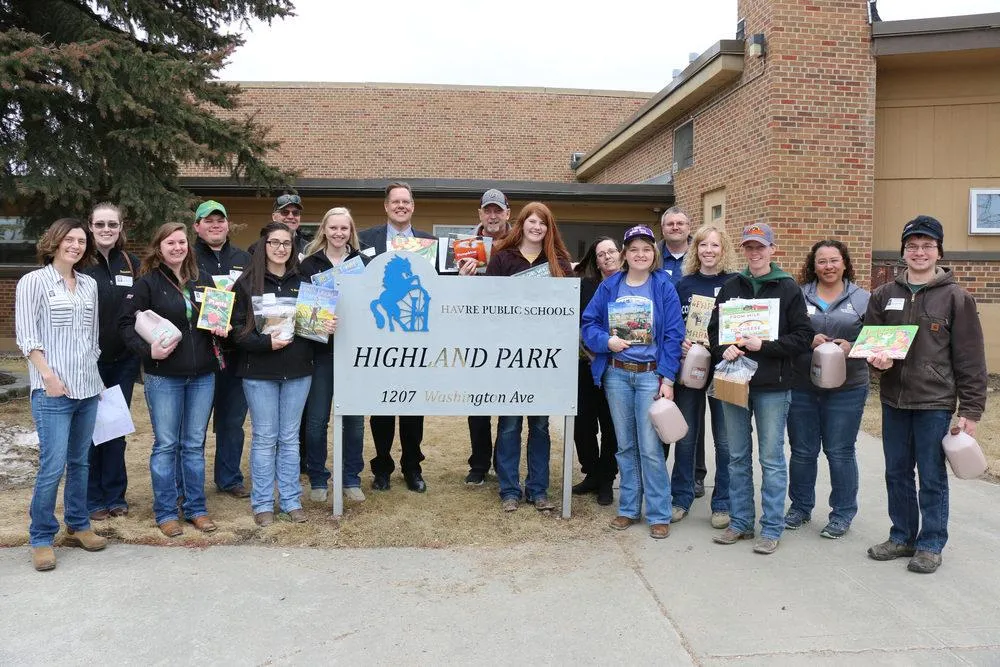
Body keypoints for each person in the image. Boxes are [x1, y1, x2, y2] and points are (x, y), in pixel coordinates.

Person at [865, 215, 987, 574]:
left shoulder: (956, 298)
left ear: (938, 251)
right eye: (912, 246)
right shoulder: (884, 295)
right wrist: (877, 362)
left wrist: (972, 410)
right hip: (894, 400)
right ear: (903, 251)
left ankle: (931, 544)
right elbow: (869, 341)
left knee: (932, 476)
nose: (919, 252)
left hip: (934, 402)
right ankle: (901, 536)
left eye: (927, 246)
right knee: (896, 473)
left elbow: (971, 359)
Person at [707, 222, 814, 555]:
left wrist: (763, 345)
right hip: (734, 380)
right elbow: (713, 332)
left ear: (772, 249)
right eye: (749, 247)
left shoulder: (787, 288)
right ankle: (740, 523)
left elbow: (803, 337)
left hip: (772, 385)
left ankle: (771, 527)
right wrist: (722, 348)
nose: (754, 253)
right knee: (737, 456)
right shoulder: (730, 287)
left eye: (760, 247)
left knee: (771, 459)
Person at [119, 222, 229, 538]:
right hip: (163, 377)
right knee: (167, 444)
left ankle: (196, 509)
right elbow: (126, 323)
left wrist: (221, 327)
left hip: (202, 376)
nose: (178, 247)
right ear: (159, 247)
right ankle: (166, 512)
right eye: (171, 243)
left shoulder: (201, 281)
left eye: (182, 242)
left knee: (194, 444)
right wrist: (147, 350)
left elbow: (216, 320)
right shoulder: (147, 284)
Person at [582, 225, 685, 538]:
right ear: (625, 254)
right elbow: (588, 323)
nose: (640, 254)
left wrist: (668, 378)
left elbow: (673, 334)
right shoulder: (611, 285)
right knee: (625, 446)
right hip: (616, 373)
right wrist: (605, 342)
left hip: (650, 376)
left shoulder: (662, 286)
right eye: (634, 249)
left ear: (653, 253)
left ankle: (658, 512)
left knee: (650, 448)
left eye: (646, 248)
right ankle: (628, 507)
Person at [16, 218, 107, 571]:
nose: (76, 245)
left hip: (86, 387)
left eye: (81, 241)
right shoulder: (32, 283)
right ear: (54, 242)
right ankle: (41, 536)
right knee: (52, 466)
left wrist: (93, 377)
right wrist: (49, 377)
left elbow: (92, 337)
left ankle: (78, 525)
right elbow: (27, 338)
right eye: (69, 239)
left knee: (81, 462)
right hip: (52, 390)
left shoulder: (88, 285)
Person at [232, 223, 326, 526]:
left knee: (289, 438)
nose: (281, 248)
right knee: (264, 438)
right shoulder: (247, 283)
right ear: (264, 245)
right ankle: (262, 504)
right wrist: (265, 342)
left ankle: (290, 499)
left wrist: (325, 326)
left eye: (286, 243)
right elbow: (235, 331)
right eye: (274, 242)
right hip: (259, 372)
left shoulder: (306, 281)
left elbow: (314, 327)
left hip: (298, 371)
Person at [486, 202, 574, 512]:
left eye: (543, 223)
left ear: (549, 229)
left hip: (545, 358)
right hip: (510, 357)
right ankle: (509, 489)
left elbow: (567, 313)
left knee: (539, 426)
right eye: (531, 221)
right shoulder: (502, 259)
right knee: (509, 425)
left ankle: (538, 490)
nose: (536, 227)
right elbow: (489, 308)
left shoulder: (560, 263)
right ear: (521, 224)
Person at [785, 240, 870, 539]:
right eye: (822, 261)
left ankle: (842, 513)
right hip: (802, 384)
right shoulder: (798, 294)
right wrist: (806, 340)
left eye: (834, 260)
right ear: (813, 265)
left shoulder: (863, 298)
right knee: (803, 451)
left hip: (848, 387)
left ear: (845, 263)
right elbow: (784, 332)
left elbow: (876, 340)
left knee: (840, 451)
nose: (828, 266)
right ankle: (800, 507)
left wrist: (854, 346)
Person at [357, 182, 434, 492]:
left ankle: (412, 467)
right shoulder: (364, 239)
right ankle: (382, 467)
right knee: (382, 406)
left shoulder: (430, 243)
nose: (401, 206)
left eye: (406, 201)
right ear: (386, 207)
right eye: (395, 202)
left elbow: (439, 286)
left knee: (414, 408)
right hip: (380, 339)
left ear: (412, 207)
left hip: (417, 339)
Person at [299, 207, 371, 503]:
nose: (339, 233)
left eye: (344, 228)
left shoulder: (363, 264)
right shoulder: (308, 265)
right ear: (324, 231)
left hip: (353, 353)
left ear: (351, 232)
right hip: (321, 353)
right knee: (316, 420)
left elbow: (370, 307)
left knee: (354, 420)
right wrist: (320, 323)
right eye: (334, 228)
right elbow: (303, 316)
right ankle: (318, 477)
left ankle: (351, 477)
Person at [672, 223, 735, 529]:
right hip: (691, 367)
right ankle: (680, 497)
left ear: (724, 251)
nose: (708, 251)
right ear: (695, 249)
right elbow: (673, 325)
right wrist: (681, 340)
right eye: (702, 245)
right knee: (685, 435)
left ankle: (722, 502)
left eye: (715, 246)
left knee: (725, 439)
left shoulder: (736, 283)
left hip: (724, 369)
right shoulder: (683, 284)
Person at [81, 203, 141, 521]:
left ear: (121, 228)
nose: (107, 230)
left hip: (123, 361)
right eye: (100, 224)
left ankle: (116, 495)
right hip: (88, 363)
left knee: (115, 430)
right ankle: (92, 499)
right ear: (90, 227)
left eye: (112, 224)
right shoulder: (79, 263)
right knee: (90, 431)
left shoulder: (131, 263)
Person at [192, 200, 252, 499]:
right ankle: (192, 482)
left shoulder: (243, 258)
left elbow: (254, 301)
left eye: (220, 220)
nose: (215, 225)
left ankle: (229, 478)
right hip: (199, 354)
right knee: (195, 425)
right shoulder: (187, 257)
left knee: (232, 421)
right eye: (208, 221)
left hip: (235, 353)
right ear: (197, 226)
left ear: (227, 225)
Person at [461, 188, 512, 485]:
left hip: (509, 332)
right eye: (487, 210)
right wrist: (461, 279)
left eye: (498, 210)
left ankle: (504, 463)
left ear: (507, 212)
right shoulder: (465, 245)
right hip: (475, 332)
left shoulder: (522, 242)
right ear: (480, 214)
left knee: (508, 402)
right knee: (477, 401)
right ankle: (479, 463)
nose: (492, 216)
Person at [571, 236, 621, 505]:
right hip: (585, 364)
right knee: (583, 425)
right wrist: (587, 349)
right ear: (595, 260)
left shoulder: (629, 284)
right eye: (601, 254)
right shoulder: (584, 286)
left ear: (620, 255)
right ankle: (590, 472)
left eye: (612, 251)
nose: (607, 257)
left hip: (617, 367)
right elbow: (576, 322)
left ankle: (606, 479)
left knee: (611, 426)